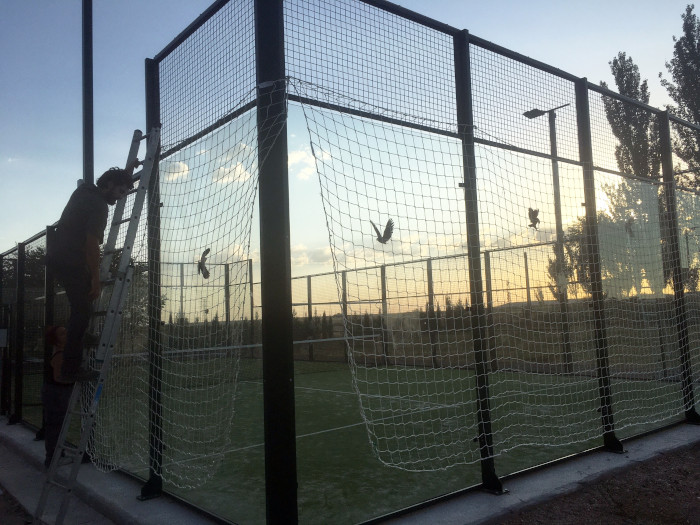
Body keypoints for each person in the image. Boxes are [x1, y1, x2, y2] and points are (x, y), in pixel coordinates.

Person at [46, 167, 133, 383]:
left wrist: (127, 172)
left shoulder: (84, 190)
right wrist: (96, 277)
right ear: (109, 185)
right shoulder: (99, 206)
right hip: (70, 259)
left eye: (124, 193)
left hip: (59, 255)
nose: (120, 197)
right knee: (82, 311)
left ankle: (81, 336)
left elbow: (113, 180)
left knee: (84, 302)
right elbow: (92, 244)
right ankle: (70, 370)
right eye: (119, 191)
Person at [41, 325, 72, 468]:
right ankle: (52, 459)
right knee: (55, 425)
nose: (66, 335)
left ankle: (56, 456)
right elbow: (58, 378)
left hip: (55, 392)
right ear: (57, 341)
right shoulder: (59, 354)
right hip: (55, 393)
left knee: (56, 425)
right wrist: (76, 379)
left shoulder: (62, 352)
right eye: (62, 334)